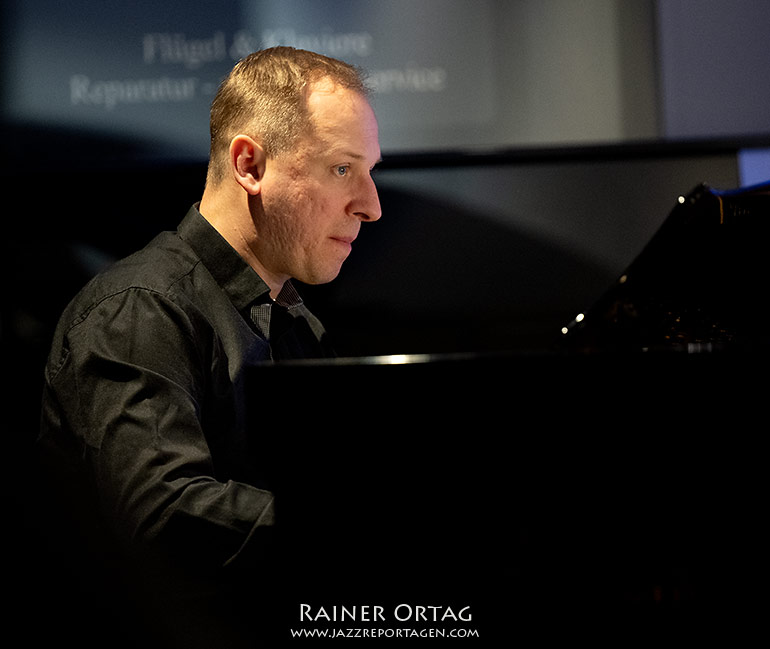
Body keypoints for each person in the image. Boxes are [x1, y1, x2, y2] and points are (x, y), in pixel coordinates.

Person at [37, 47, 382, 647]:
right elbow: (164, 517)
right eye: (342, 169)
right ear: (248, 163)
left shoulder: (297, 322)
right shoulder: (140, 308)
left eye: (370, 171)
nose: (372, 206)